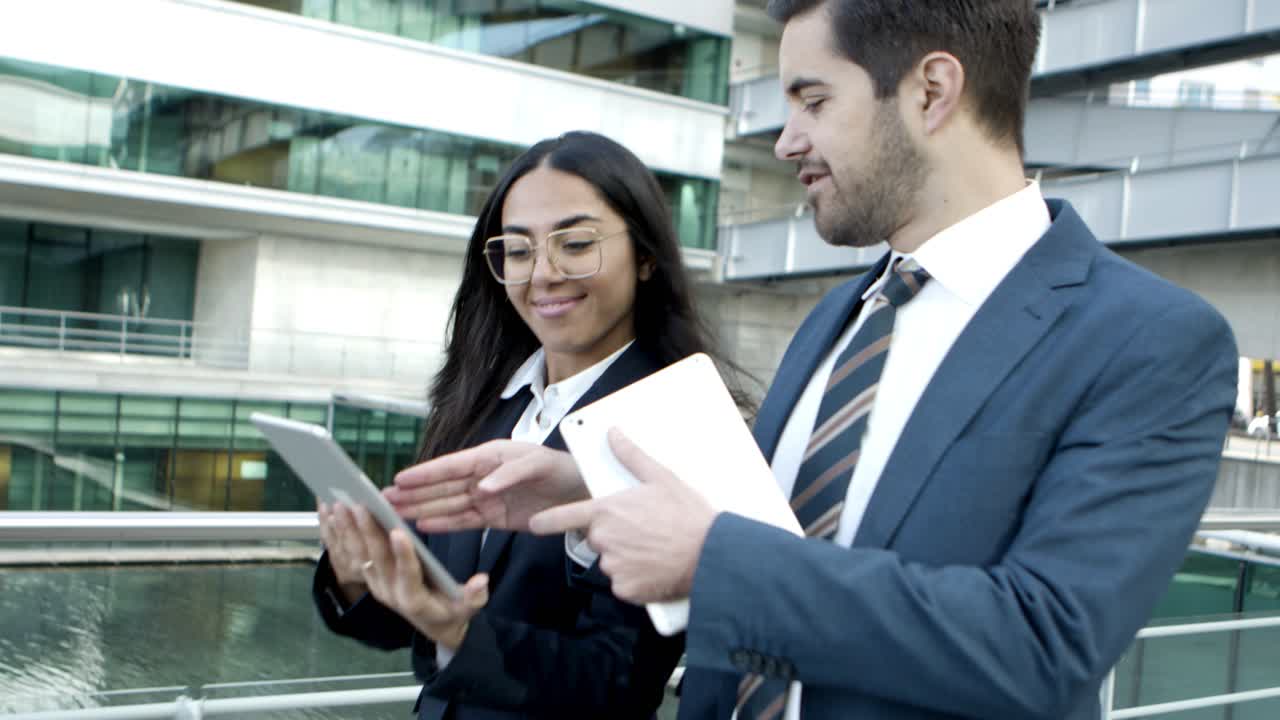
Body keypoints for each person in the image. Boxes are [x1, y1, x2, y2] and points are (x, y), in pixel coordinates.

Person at [388, 2, 1239, 719]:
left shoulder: (1150, 342)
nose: (787, 140)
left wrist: (710, 558)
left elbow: (1046, 642)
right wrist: (588, 482)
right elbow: (776, 532)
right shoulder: (837, 315)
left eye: (813, 100)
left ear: (932, 92)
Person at [312, 131, 735, 719]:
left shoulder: (676, 427)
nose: (543, 274)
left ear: (645, 255)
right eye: (518, 250)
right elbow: (414, 621)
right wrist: (360, 574)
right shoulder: (486, 400)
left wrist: (461, 636)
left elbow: (619, 679)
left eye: (577, 243)